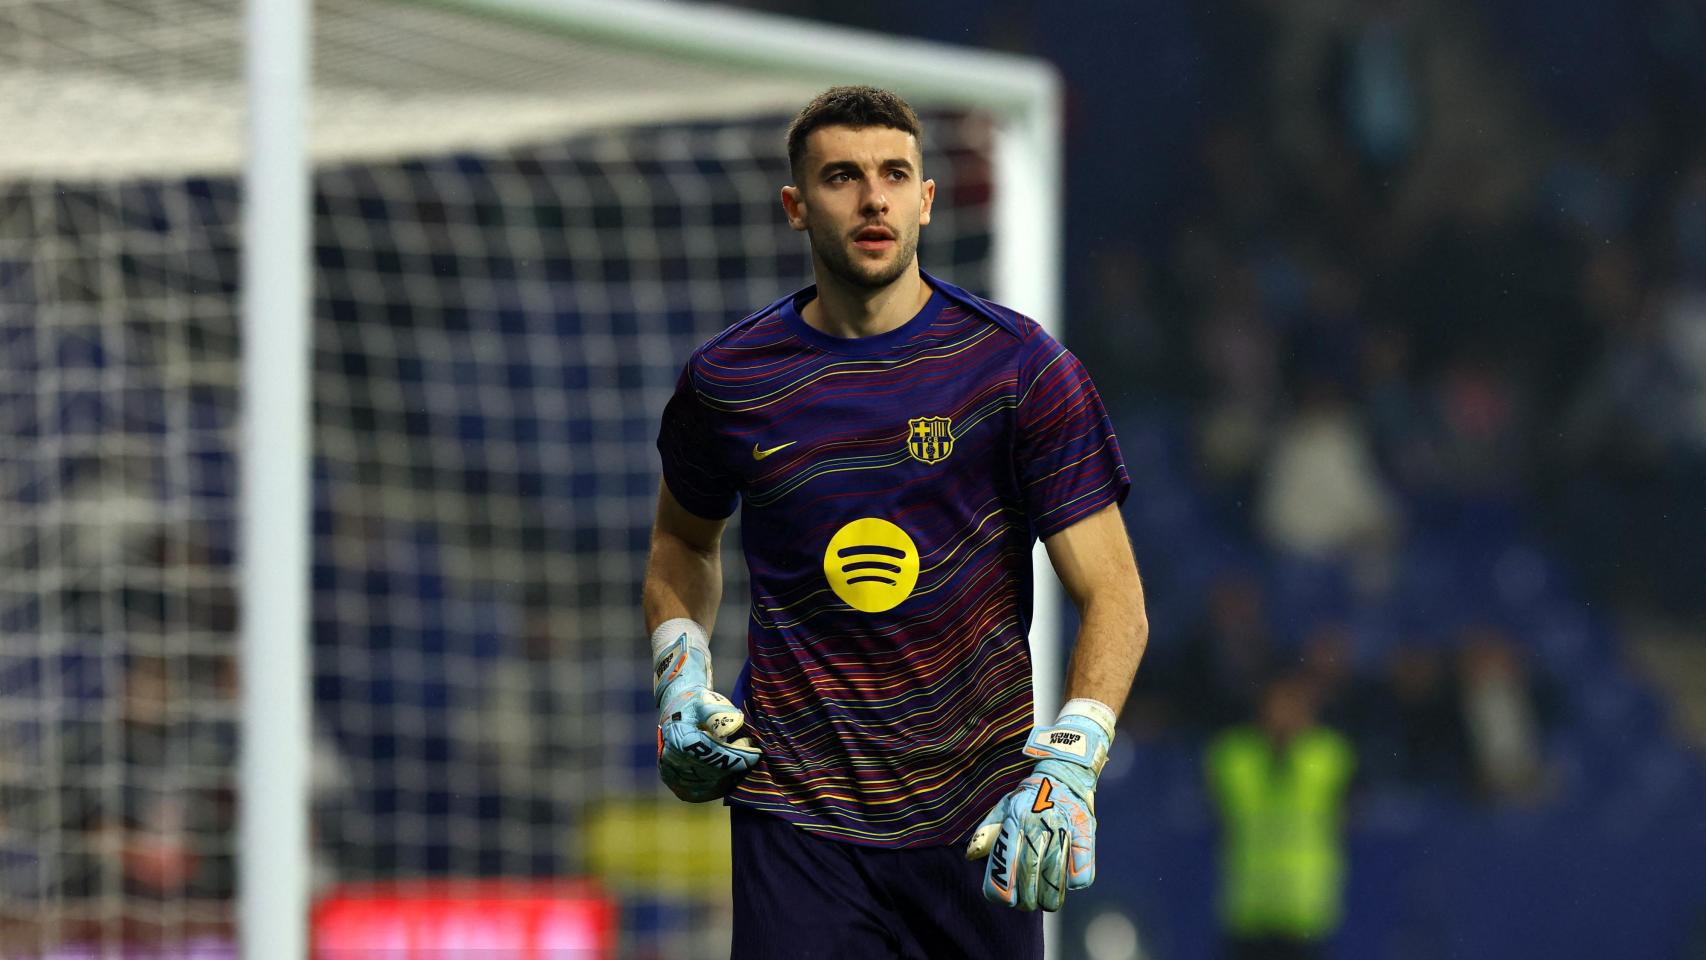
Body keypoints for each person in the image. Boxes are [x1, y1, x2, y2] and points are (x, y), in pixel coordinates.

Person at [642, 86, 1148, 958]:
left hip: (976, 819)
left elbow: (1116, 595)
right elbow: (682, 543)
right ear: (796, 208)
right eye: (842, 177)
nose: (872, 197)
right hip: (798, 819)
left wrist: (1072, 764)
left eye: (894, 174)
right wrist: (680, 676)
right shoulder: (729, 381)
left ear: (926, 199)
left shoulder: (1020, 370)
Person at [1206, 674, 1355, 960]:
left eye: (1294, 703)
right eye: (1278, 702)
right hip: (1247, 909)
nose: (1284, 712)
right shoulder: (1233, 755)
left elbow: (1349, 815)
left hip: (1306, 911)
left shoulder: (1331, 755)